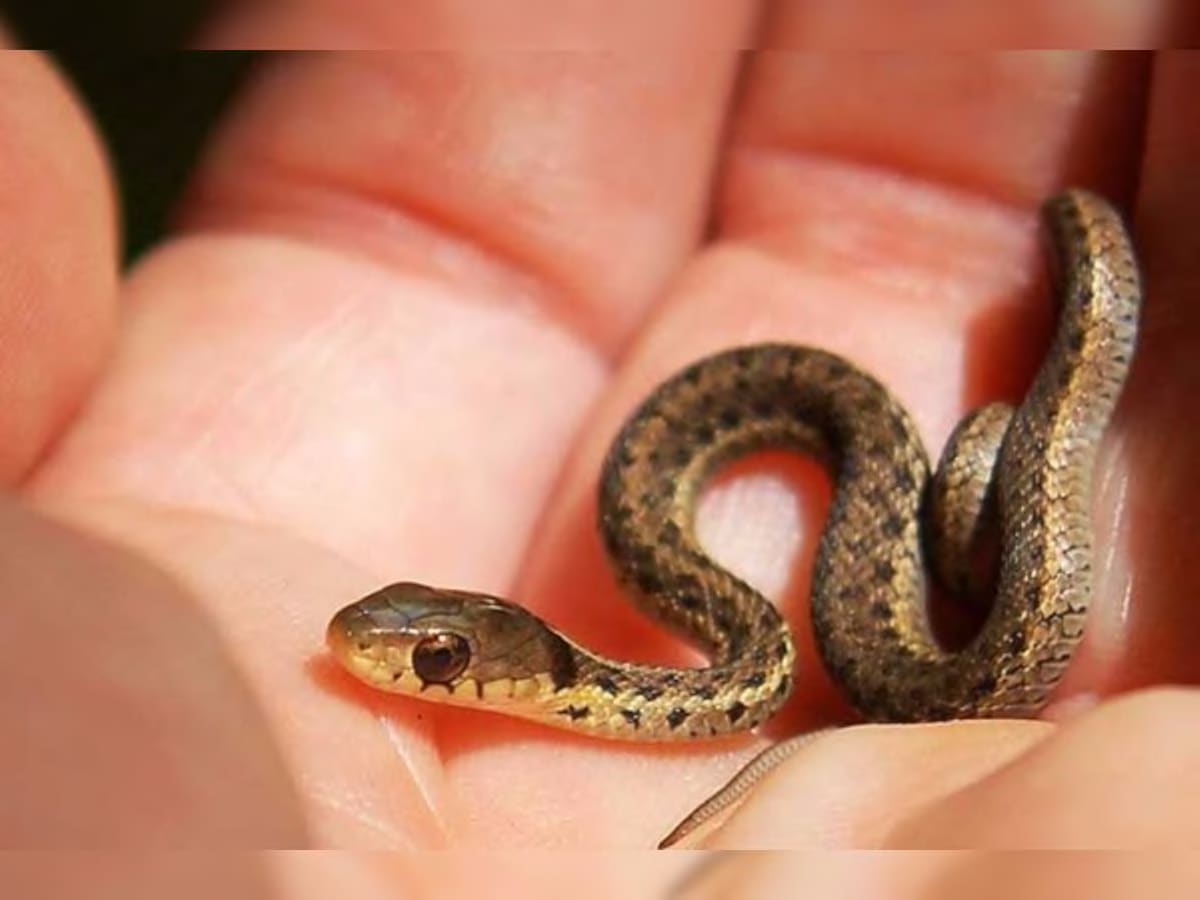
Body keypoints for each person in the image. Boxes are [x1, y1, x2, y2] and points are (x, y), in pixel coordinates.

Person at [2, 37, 1197, 876]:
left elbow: (767, 670)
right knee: (986, 451)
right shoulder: (693, 620)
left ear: (513, 668)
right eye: (432, 649)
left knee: (1011, 415)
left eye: (437, 659)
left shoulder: (749, 654)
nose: (397, 661)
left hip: (943, 597)